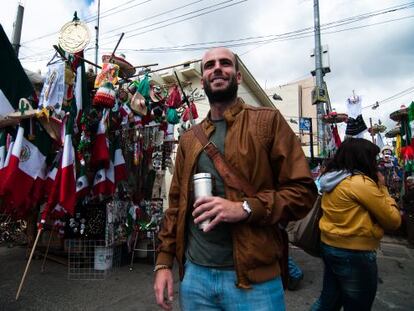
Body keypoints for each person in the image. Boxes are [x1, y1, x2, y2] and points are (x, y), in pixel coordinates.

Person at [153, 47, 317, 310]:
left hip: (255, 281)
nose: (217, 68)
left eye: (225, 63)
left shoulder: (267, 122)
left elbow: (303, 191)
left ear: (238, 76)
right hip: (195, 278)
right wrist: (163, 262)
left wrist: (244, 208)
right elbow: (176, 206)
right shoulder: (189, 139)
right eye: (209, 66)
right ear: (204, 79)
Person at [311, 138, 401, 311]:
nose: (375, 163)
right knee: (357, 305)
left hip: (330, 245)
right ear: (363, 158)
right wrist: (382, 188)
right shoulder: (360, 183)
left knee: (329, 301)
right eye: (372, 157)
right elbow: (393, 221)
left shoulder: (332, 178)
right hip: (354, 252)